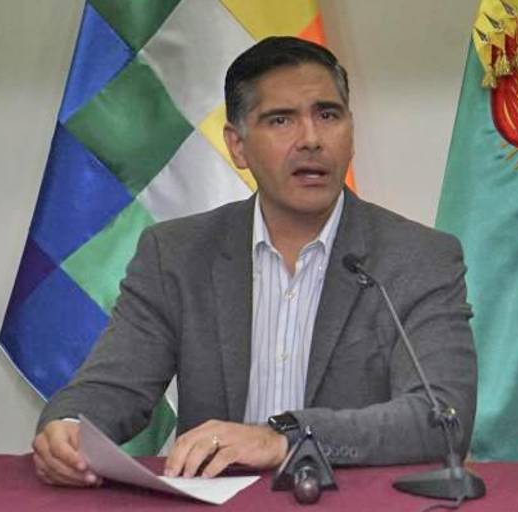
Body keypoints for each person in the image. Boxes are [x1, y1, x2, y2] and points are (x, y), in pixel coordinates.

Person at [32, 36, 477, 487]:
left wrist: (287, 437)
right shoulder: (177, 254)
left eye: (328, 115)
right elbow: (114, 386)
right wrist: (69, 428)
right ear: (237, 146)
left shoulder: (417, 258)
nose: (311, 139)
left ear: (350, 131)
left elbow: (442, 418)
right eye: (280, 120)